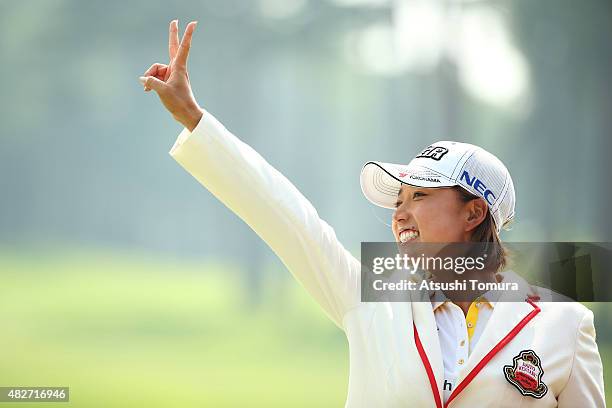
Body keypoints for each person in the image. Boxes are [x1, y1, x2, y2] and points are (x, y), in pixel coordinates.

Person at [140, 20, 605, 407]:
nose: (400, 215)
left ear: (474, 212)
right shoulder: (369, 299)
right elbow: (285, 215)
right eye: (397, 202)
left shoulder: (562, 324)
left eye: (419, 197)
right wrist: (194, 117)